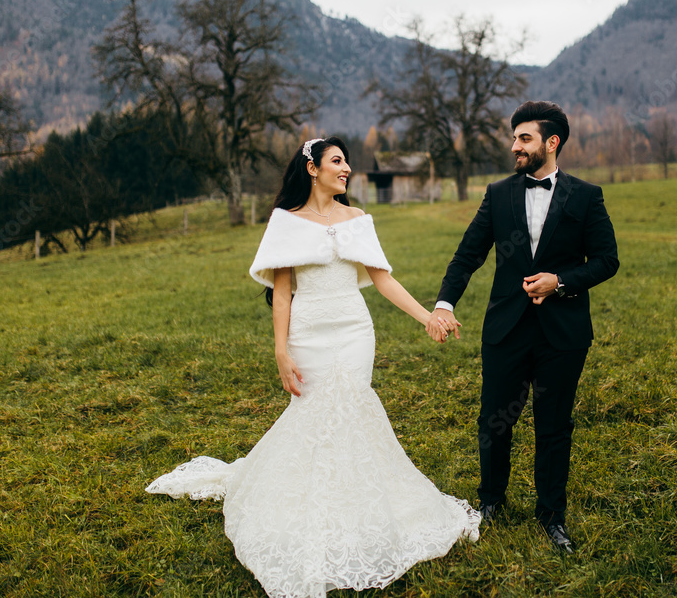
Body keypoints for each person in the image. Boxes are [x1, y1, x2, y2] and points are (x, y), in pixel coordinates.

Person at [145, 136, 479, 598]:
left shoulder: (359, 220)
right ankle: (304, 506)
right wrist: (281, 351)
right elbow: (282, 292)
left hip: (355, 333)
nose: (346, 169)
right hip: (308, 335)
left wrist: (429, 317)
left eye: (347, 163)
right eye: (337, 162)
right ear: (312, 168)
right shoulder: (286, 222)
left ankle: (358, 506)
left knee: (353, 409)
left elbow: (382, 279)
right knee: (314, 414)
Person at [428, 101, 619, 553]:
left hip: (563, 333)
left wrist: (562, 281)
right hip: (506, 330)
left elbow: (608, 260)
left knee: (555, 426)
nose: (515, 145)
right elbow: (468, 254)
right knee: (496, 421)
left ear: (552, 143)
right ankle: (491, 502)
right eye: (514, 137)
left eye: (524, 138)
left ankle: (552, 516)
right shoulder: (499, 194)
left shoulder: (586, 195)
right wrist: (443, 302)